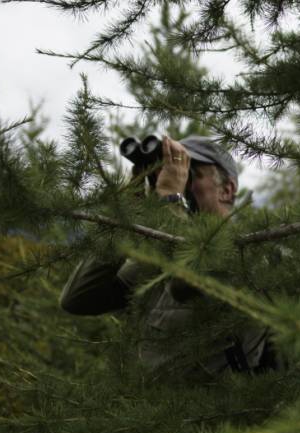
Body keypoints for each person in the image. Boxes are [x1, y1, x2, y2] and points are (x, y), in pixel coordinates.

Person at [60, 135, 272, 380]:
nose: (176, 180)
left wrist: (170, 200)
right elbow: (78, 299)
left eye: (189, 174)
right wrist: (125, 218)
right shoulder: (158, 254)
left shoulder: (249, 250)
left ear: (227, 189)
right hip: (149, 410)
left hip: (216, 413)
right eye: (169, 171)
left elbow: (186, 282)